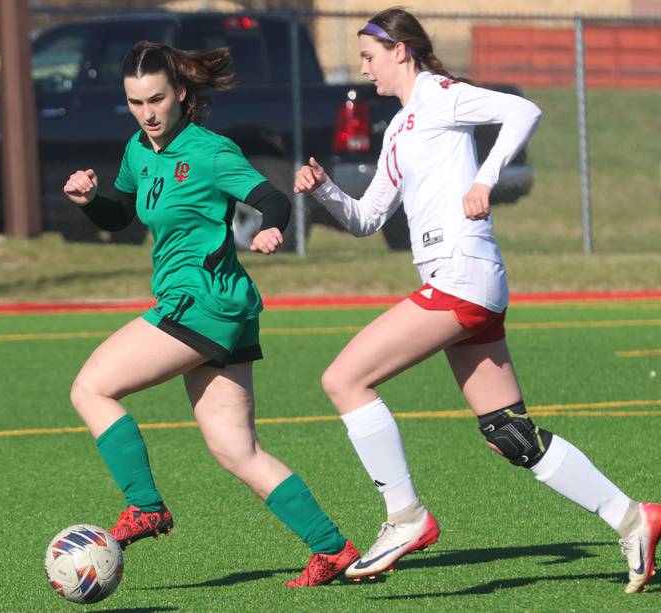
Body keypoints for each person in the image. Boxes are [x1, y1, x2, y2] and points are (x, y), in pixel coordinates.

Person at [295, 7, 660, 592]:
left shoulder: (440, 95)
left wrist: (484, 179)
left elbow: (523, 110)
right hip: (468, 281)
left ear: (401, 52)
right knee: (509, 433)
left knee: (344, 379)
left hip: (461, 276)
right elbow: (366, 219)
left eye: (368, 57)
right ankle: (631, 517)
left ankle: (405, 517)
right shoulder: (397, 128)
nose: (364, 70)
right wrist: (327, 191)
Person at [62, 41, 359, 588]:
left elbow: (270, 198)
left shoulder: (209, 151)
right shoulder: (137, 150)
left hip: (202, 302)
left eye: (156, 99)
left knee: (91, 388)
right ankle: (333, 548)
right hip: (219, 306)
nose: (147, 114)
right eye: (134, 103)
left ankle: (145, 506)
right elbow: (121, 215)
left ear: (179, 94)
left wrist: (273, 227)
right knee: (235, 449)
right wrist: (90, 200)